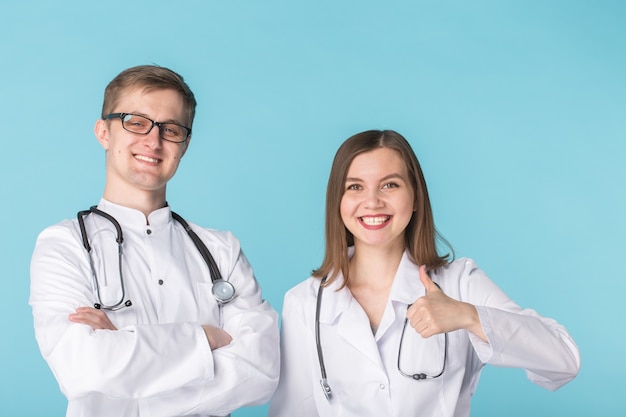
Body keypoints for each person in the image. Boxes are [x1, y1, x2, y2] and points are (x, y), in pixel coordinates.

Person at [269, 129, 580, 417]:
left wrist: (469, 316)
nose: (372, 201)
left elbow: (564, 358)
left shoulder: (459, 284)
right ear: (337, 201)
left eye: (390, 184)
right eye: (355, 187)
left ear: (415, 196)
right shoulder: (306, 302)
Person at [30, 65, 279, 417]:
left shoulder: (221, 250)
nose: (153, 140)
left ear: (185, 144)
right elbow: (83, 369)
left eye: (171, 129)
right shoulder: (65, 245)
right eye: (135, 121)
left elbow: (260, 372)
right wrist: (206, 337)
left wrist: (124, 343)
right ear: (103, 132)